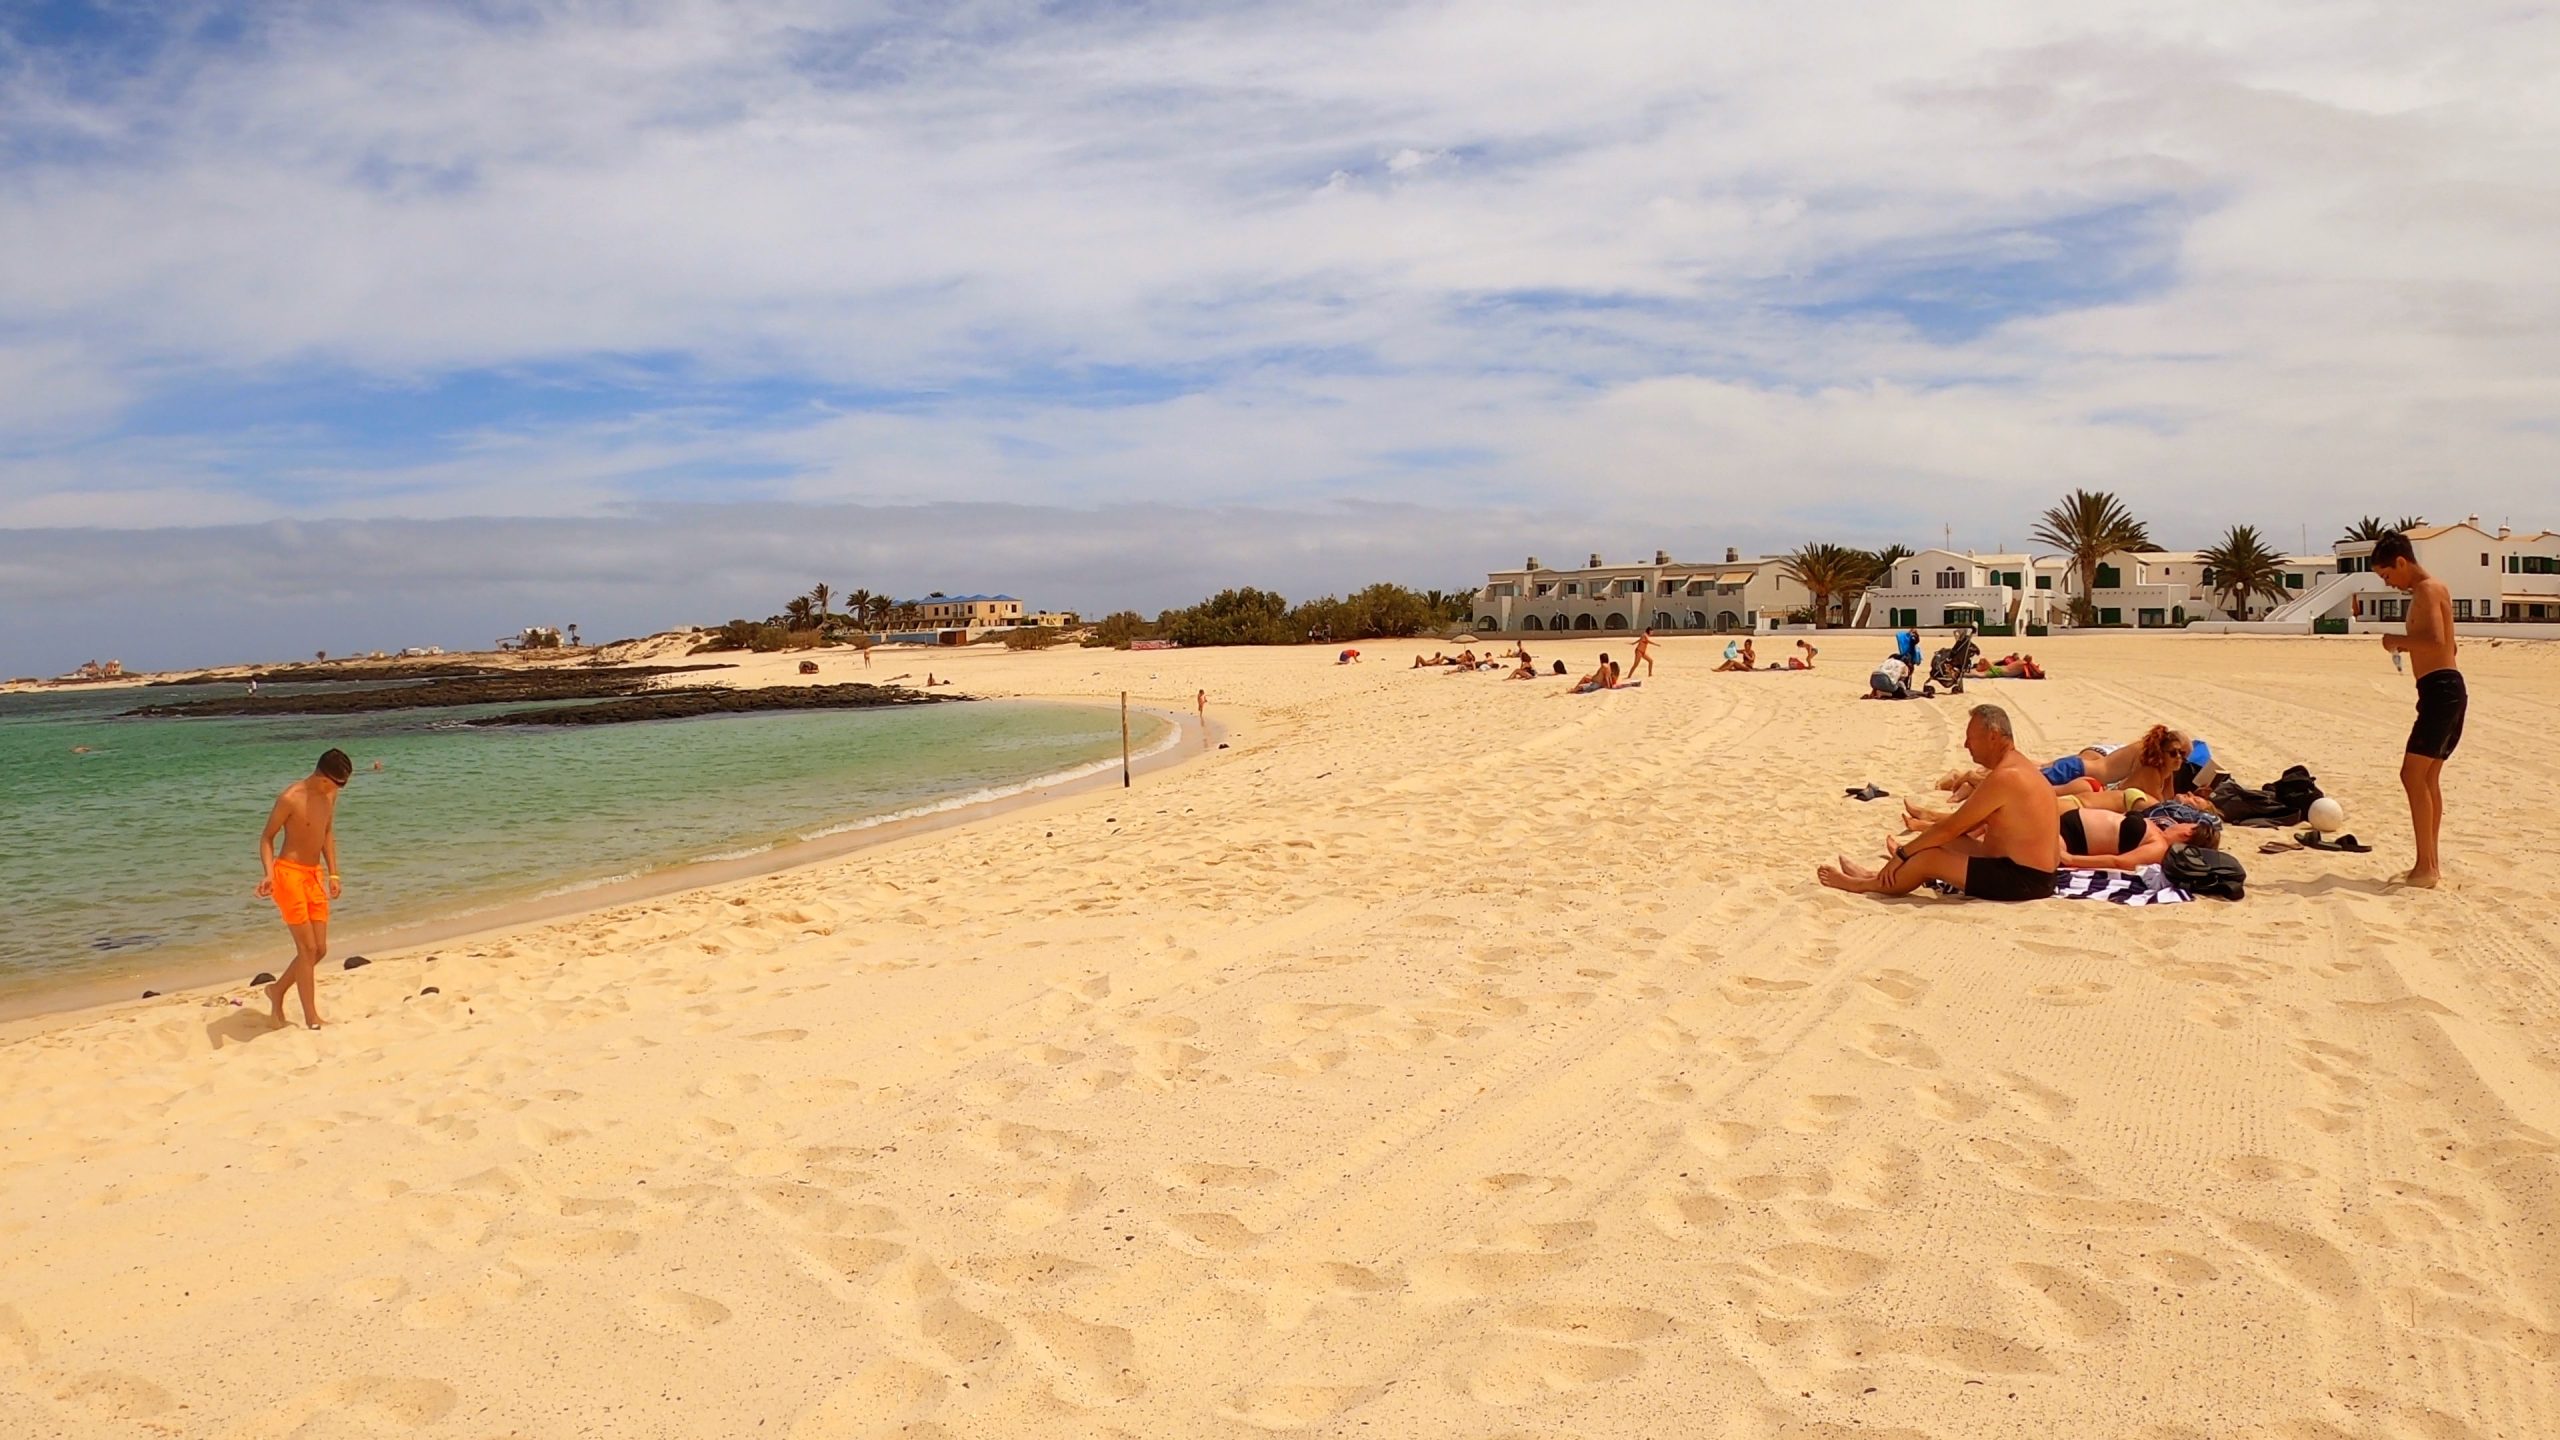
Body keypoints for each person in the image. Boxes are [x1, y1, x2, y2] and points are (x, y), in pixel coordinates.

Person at [1819, 705, 2058, 901]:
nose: (1966, 745)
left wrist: (1902, 854)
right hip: (2015, 865)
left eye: (1970, 738)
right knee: (1943, 842)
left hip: (2026, 880)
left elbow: (1950, 827)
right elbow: (1958, 827)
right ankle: (1877, 875)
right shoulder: (2016, 767)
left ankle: (1864, 884)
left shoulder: (2007, 776)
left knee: (1929, 858)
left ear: (1993, 736)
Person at [2374, 531, 2461, 887]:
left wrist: (2395, 640)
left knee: (2412, 776)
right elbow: (2446, 647)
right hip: (2443, 688)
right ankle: (2428, 864)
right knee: (2427, 778)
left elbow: (2437, 641)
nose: (2389, 583)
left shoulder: (2426, 590)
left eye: (2387, 576)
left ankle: (2426, 867)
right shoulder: (2433, 589)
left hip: (2442, 691)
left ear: (2401, 562)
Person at [256, 748, 353, 1029]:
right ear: (324, 778)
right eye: (338, 783)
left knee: (319, 949)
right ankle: (312, 1017)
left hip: (314, 875)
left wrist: (334, 874)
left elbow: (326, 833)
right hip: (287, 874)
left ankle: (276, 990)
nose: (340, 789)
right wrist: (268, 874)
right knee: (307, 948)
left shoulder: (330, 795)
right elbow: (266, 837)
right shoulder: (290, 798)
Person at [2062, 807, 2223, 870]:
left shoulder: (2159, 849)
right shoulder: (2159, 833)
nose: (2182, 823)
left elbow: (2119, 862)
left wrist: (2071, 859)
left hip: (2070, 839)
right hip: (2064, 826)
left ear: (2189, 832)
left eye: (2188, 823)